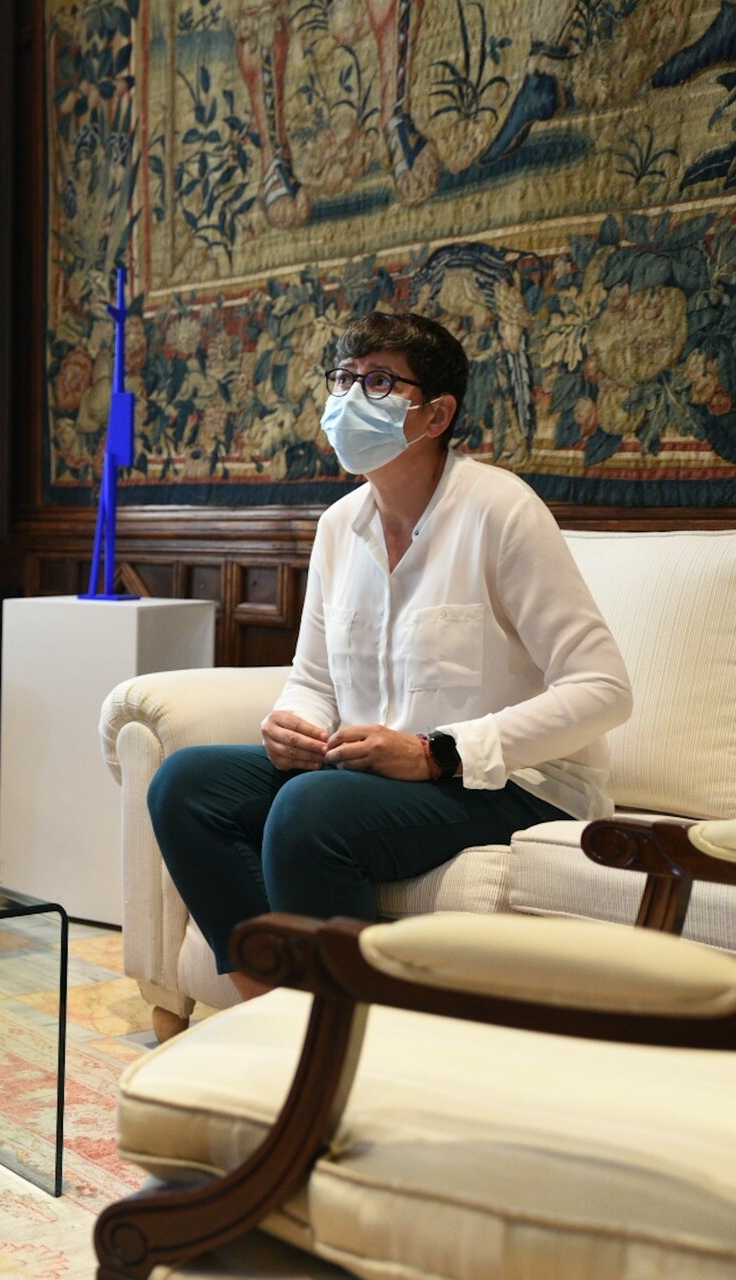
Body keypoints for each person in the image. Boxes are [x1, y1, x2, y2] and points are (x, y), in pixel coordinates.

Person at [146, 313, 633, 1001]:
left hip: (512, 786)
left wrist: (437, 752)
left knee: (311, 809)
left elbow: (603, 688)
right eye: (343, 379)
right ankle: (272, 1007)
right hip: (369, 775)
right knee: (186, 785)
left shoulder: (500, 511)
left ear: (435, 414)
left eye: (376, 381)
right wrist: (294, 721)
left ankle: (342, 1039)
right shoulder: (338, 526)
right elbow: (313, 679)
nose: (348, 398)